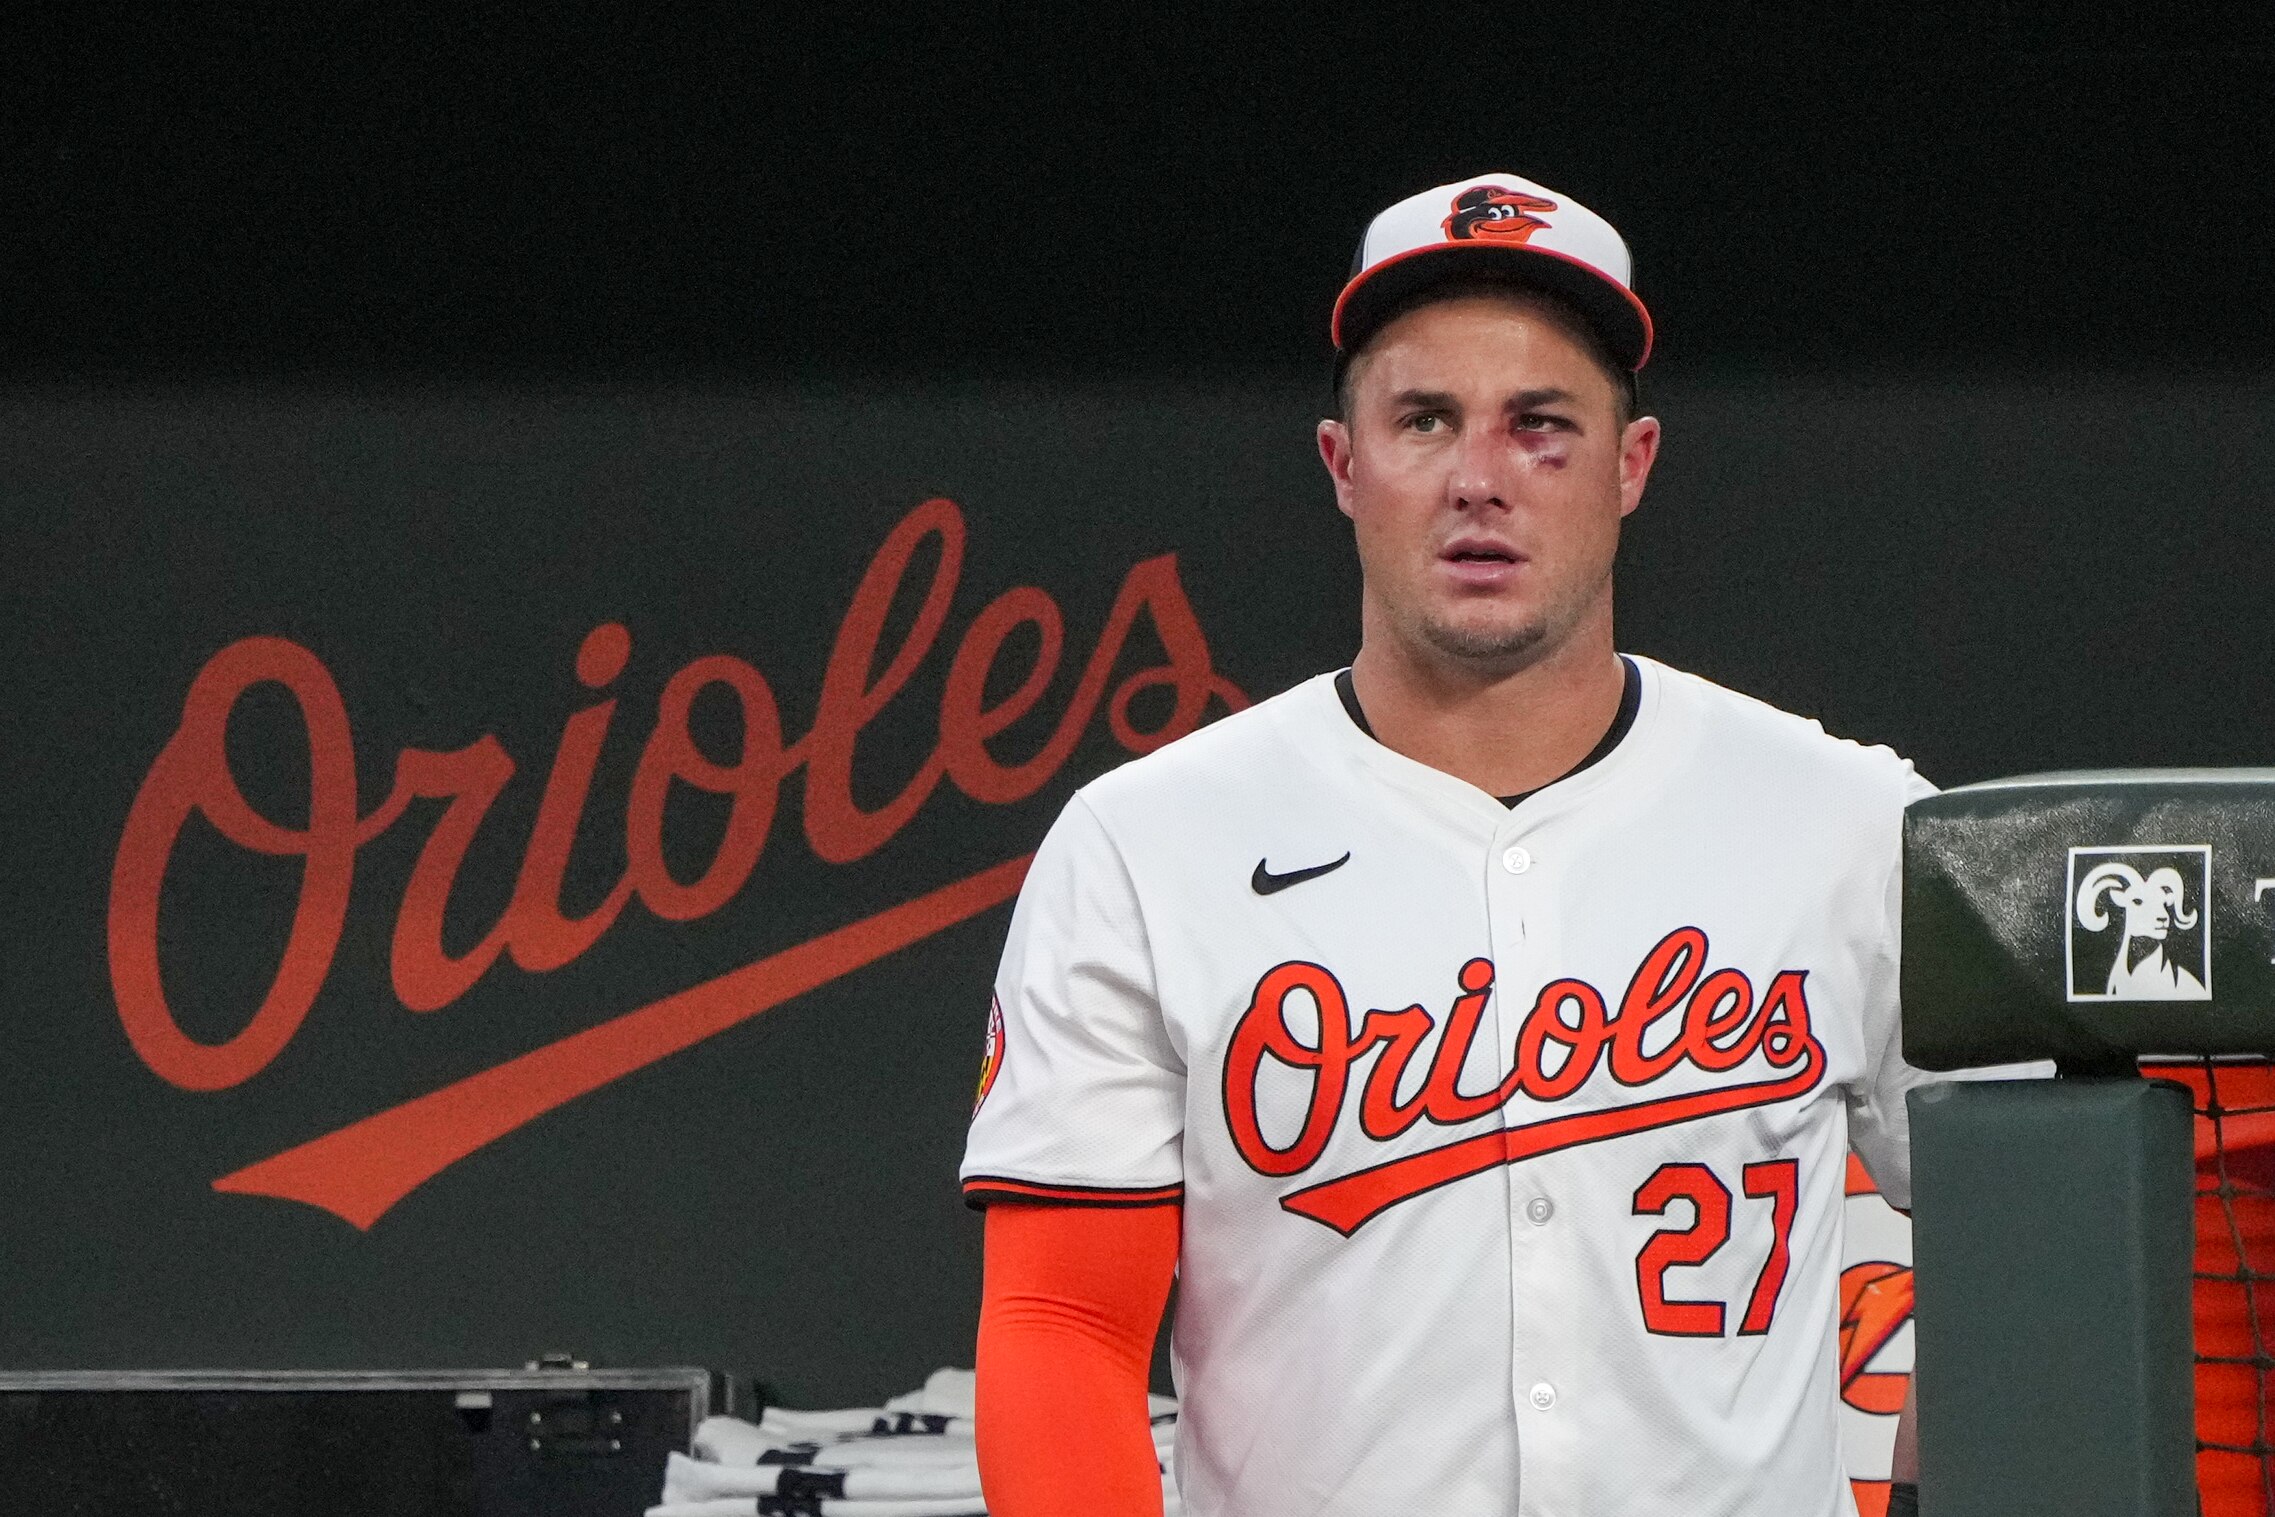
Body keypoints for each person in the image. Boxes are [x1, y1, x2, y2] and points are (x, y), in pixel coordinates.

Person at [961, 171, 1930, 1517]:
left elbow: (2029, 1237)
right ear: (1343, 463)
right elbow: (1064, 1327)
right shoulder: (1147, 845)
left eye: (1543, 426)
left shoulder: (1845, 817)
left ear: (1630, 463)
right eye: (1425, 420)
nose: (1481, 478)